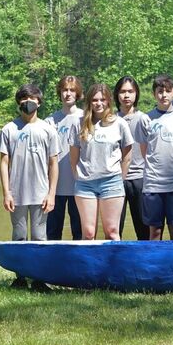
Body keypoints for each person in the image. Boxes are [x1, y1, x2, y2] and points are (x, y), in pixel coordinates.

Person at [0, 84, 59, 290]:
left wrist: (51, 194)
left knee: (40, 237)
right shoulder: (9, 129)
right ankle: (20, 277)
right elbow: (4, 163)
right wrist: (7, 193)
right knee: (19, 236)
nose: (27, 103)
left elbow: (53, 164)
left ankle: (39, 279)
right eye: (23, 100)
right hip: (17, 193)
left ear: (39, 102)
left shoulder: (47, 129)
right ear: (18, 104)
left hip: (41, 193)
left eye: (31, 99)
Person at [70, 83, 133, 241]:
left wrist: (120, 178)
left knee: (112, 232)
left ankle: (114, 265)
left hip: (111, 182)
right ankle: (88, 266)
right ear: (89, 102)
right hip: (85, 183)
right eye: (95, 100)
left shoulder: (119, 124)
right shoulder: (78, 124)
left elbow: (127, 155)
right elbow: (73, 156)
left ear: (109, 101)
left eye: (102, 100)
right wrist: (78, 176)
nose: (98, 103)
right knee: (89, 233)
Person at [137, 75, 173, 241]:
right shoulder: (145, 119)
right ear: (154, 94)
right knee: (154, 232)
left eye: (168, 91)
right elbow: (145, 151)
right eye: (160, 91)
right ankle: (155, 266)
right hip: (153, 184)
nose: (164, 95)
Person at [45, 75, 83, 240]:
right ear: (59, 93)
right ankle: (52, 263)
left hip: (80, 185)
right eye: (64, 90)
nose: (68, 93)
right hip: (55, 187)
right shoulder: (50, 121)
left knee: (80, 232)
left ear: (78, 93)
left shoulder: (85, 118)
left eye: (72, 90)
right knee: (53, 232)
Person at [114, 76, 149, 240]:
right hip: (115, 178)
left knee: (143, 227)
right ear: (116, 95)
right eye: (122, 91)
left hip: (139, 178)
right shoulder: (111, 119)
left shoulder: (143, 118)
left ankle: (145, 262)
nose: (126, 95)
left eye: (130, 91)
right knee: (114, 228)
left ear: (136, 94)